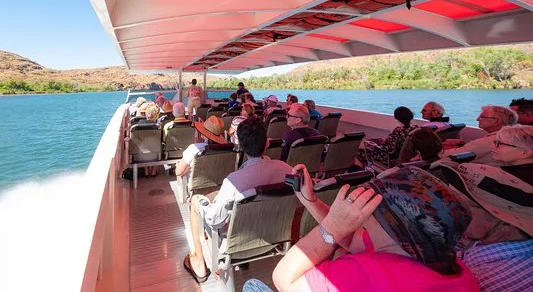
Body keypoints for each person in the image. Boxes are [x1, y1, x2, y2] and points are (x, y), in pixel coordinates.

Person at [245, 165, 478, 292]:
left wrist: (332, 226)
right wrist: (310, 201)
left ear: (390, 225)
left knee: (252, 287)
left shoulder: (365, 273)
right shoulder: (453, 268)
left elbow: (284, 279)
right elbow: (352, 241)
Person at [182, 117, 291, 284]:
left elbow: (214, 221)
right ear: (267, 143)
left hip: (238, 244)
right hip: (276, 237)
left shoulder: (234, 182)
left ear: (240, 145)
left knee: (197, 202)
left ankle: (199, 262)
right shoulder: (286, 170)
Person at [430, 158, 533, 292]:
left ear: (506, 225)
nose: (451, 213)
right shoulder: (489, 237)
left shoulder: (491, 280)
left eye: (463, 208)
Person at [443, 105, 519, 165]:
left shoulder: (488, 142)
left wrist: (438, 146)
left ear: (496, 122)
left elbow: (446, 155)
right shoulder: (515, 137)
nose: (477, 119)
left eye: (482, 117)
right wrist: (465, 144)